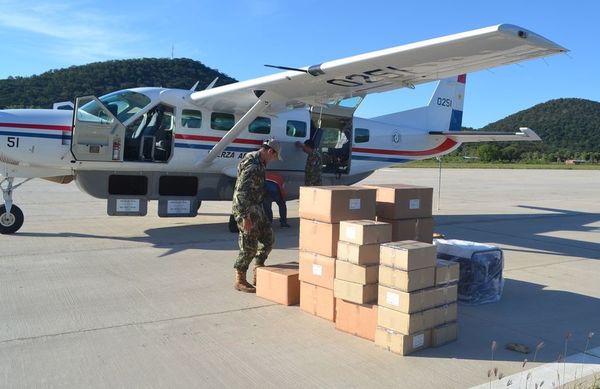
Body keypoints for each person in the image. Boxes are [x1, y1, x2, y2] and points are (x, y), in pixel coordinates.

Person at [231, 138, 282, 293]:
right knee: (249, 246)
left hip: (257, 208)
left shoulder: (259, 162)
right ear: (270, 151)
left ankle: (258, 270)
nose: (274, 160)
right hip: (247, 210)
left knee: (268, 238)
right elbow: (241, 192)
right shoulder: (252, 166)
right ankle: (240, 279)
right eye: (274, 156)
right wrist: (244, 217)